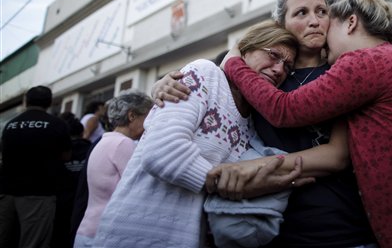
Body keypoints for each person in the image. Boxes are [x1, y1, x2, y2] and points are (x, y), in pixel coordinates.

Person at [210, 0, 392, 248]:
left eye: (325, 17)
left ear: (352, 24)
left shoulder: (363, 62)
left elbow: (286, 110)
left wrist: (234, 60)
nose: (318, 24)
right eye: (301, 13)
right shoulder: (391, 58)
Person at [152, 0, 377, 248]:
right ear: (281, 23)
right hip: (271, 228)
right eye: (301, 13)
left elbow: (338, 155)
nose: (315, 21)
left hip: (340, 226)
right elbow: (217, 75)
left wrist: (247, 171)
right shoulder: (265, 76)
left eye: (321, 11)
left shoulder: (341, 73)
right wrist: (161, 85)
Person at [91, 20, 313, 247]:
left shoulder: (254, 121)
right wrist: (229, 184)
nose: (279, 69)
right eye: (274, 55)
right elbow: (160, 151)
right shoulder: (206, 74)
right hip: (134, 233)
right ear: (245, 51)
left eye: (287, 66)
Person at [74, 90, 153, 247]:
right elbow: (139, 188)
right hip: (105, 233)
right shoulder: (124, 144)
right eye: (148, 117)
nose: (150, 123)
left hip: (87, 229)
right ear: (132, 116)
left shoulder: (103, 141)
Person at [0, 85, 72, 248]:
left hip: (6, 191)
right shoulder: (57, 124)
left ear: (26, 101)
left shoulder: (10, 125)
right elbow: (66, 156)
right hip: (39, 194)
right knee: (33, 242)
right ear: (50, 102)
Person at [52, 112, 92, 248]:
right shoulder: (92, 149)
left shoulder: (56, 152)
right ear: (82, 133)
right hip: (85, 204)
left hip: (61, 202)